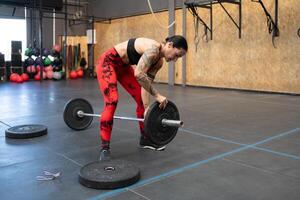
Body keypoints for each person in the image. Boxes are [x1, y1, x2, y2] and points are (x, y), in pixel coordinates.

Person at [96, 35, 188, 161]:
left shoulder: (158, 62)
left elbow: (145, 84)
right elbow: (138, 73)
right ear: (170, 45)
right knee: (112, 101)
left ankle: (145, 139)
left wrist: (146, 108)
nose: (175, 59)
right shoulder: (153, 48)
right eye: (177, 55)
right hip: (108, 62)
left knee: (141, 101)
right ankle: (104, 148)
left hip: (123, 68)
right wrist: (157, 95)